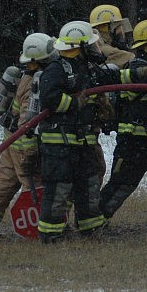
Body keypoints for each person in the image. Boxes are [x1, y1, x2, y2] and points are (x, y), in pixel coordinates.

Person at [36, 21, 110, 243]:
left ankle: (90, 229)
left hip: (82, 142)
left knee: (88, 185)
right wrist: (76, 103)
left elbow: (112, 80)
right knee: (59, 190)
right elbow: (50, 99)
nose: (96, 49)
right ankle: (50, 234)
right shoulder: (56, 69)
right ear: (81, 46)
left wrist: (139, 73)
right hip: (59, 143)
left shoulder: (86, 68)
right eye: (92, 45)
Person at [99, 19, 147, 221]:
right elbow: (140, 76)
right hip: (133, 139)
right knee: (122, 184)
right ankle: (93, 220)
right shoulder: (138, 65)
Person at [0, 33, 56, 238]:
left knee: (5, 182)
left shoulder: (27, 75)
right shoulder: (35, 82)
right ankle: (39, 229)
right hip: (23, 143)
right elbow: (28, 123)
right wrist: (30, 153)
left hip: (10, 139)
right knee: (34, 183)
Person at [88, 4, 135, 181]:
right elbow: (133, 60)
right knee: (94, 170)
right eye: (118, 28)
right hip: (85, 124)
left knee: (95, 169)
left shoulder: (97, 47)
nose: (121, 33)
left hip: (88, 123)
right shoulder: (103, 50)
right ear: (106, 28)